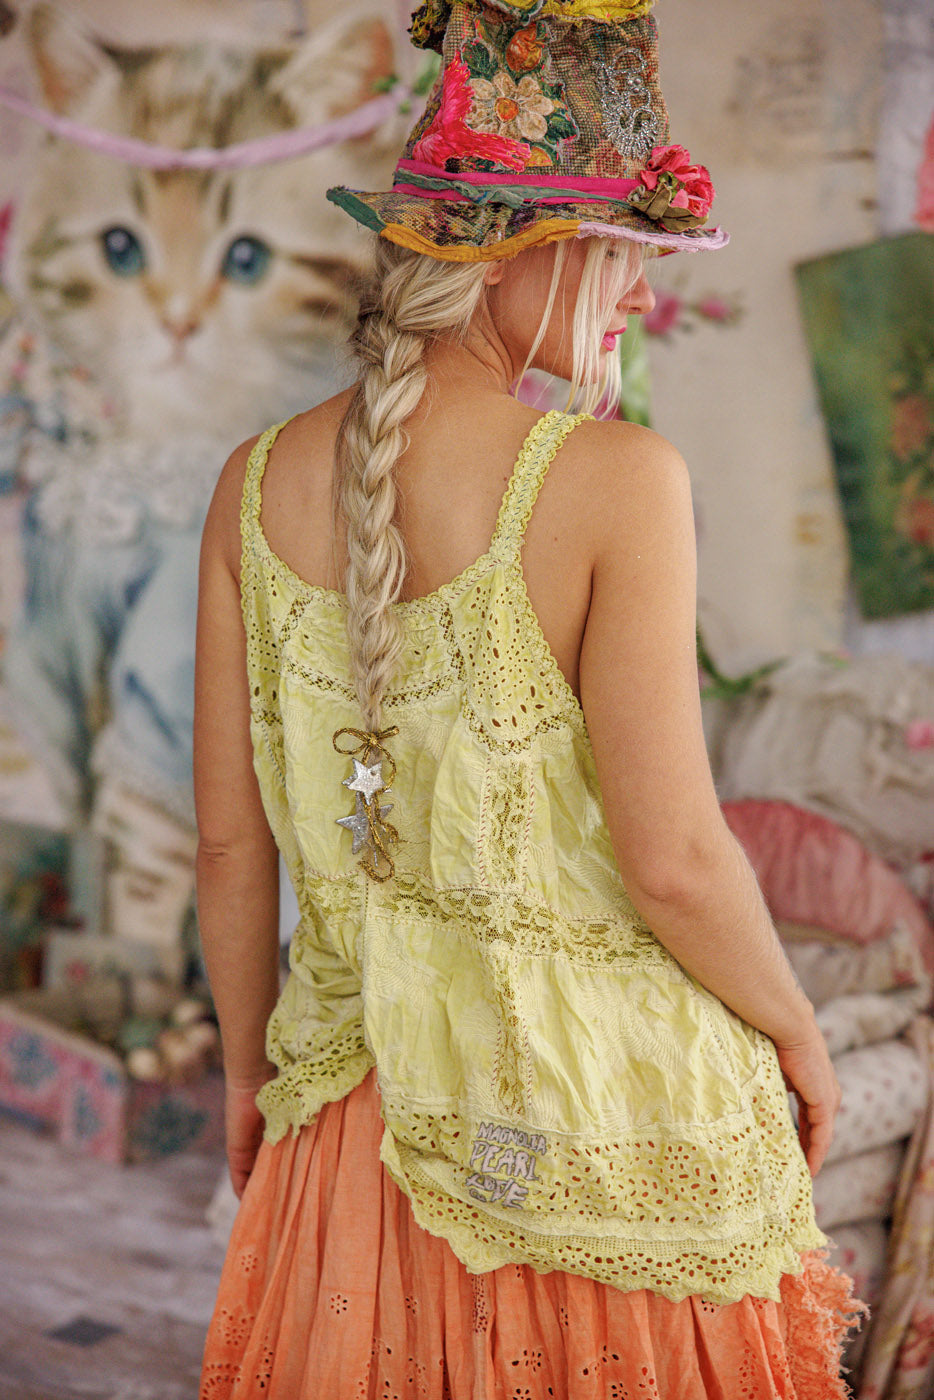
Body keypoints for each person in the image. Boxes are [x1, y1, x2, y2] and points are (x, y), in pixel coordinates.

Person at [196, 3, 867, 1395]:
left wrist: (251, 1084)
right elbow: (675, 862)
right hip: (594, 1131)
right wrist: (798, 1032)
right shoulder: (618, 480)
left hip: (353, 1118)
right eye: (625, 253)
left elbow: (226, 848)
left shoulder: (250, 486)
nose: (638, 297)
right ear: (522, 250)